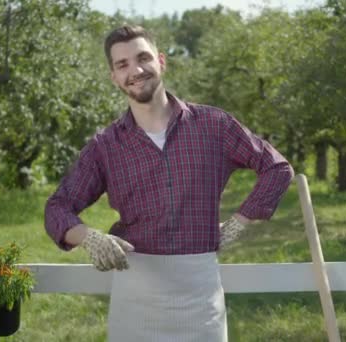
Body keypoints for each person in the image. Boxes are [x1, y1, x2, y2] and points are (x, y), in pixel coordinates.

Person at [45, 24, 293, 342]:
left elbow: (277, 168)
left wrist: (240, 222)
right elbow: (57, 207)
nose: (135, 70)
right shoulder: (104, 147)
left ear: (161, 61)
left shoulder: (214, 126)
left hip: (200, 296)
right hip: (134, 294)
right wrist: (88, 237)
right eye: (122, 65)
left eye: (143, 58)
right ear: (114, 77)